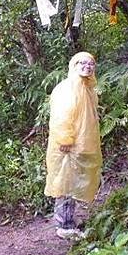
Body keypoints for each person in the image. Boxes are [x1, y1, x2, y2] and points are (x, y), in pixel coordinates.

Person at [44, 52, 103, 239]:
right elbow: (61, 116)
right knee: (65, 184)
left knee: (74, 183)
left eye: (91, 63)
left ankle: (69, 219)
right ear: (74, 65)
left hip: (81, 145)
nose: (88, 66)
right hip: (68, 146)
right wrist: (65, 140)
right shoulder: (67, 89)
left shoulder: (87, 89)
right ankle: (64, 225)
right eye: (83, 63)